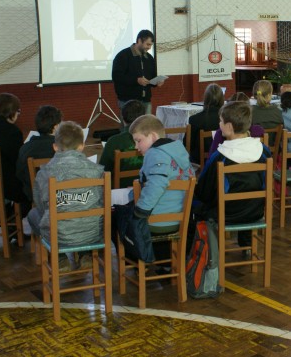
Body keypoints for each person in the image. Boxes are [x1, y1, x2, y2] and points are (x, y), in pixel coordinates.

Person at [27, 121, 105, 272]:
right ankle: (84, 254)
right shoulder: (97, 171)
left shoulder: (45, 172)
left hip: (59, 235)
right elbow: (101, 202)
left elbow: (41, 205)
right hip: (92, 233)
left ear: (55, 147)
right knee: (83, 212)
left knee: (33, 214)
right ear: (82, 145)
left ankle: (59, 257)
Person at [115, 115, 195, 258]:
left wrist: (140, 211)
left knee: (115, 218)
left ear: (152, 136)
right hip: (180, 218)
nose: (136, 146)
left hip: (158, 221)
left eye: (138, 141)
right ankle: (165, 262)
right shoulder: (178, 151)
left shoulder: (155, 153)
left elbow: (158, 183)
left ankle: (137, 260)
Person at [194, 101, 272, 248]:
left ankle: (210, 252)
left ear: (229, 127)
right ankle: (247, 243)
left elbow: (204, 191)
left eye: (221, 121)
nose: (219, 123)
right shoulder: (264, 151)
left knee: (197, 204)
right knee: (248, 191)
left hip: (227, 214)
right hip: (255, 211)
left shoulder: (219, 156)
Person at [16, 105, 63, 203]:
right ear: (56, 127)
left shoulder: (25, 148)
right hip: (61, 197)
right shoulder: (62, 148)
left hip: (34, 198)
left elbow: (19, 175)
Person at [112, 30, 163, 115]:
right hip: (128, 102)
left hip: (146, 101)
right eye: (147, 44)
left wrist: (156, 82)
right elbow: (117, 77)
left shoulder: (149, 58)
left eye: (151, 45)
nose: (149, 48)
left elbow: (151, 77)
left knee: (146, 127)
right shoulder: (123, 55)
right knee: (129, 128)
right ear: (139, 41)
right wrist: (136, 80)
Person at [98, 100, 145, 188]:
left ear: (122, 117)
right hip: (146, 187)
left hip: (119, 189)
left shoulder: (114, 141)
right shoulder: (151, 140)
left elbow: (103, 170)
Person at [188, 84, 224, 164]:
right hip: (223, 158)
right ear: (222, 99)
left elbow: (188, 145)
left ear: (205, 99)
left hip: (199, 160)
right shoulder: (227, 119)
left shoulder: (194, 119)